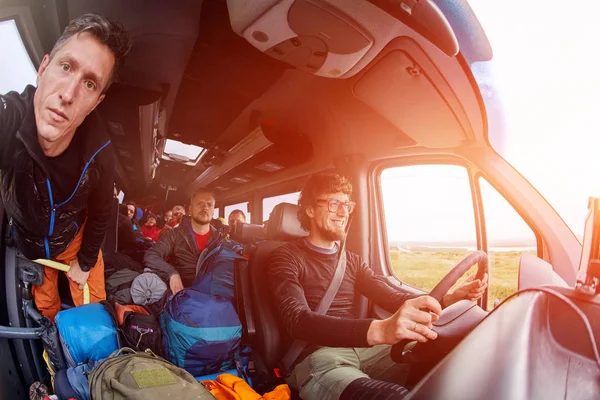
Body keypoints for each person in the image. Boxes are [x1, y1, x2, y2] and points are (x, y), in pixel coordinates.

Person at [268, 173, 488, 400]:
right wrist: (380, 330)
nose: (343, 213)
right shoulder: (285, 258)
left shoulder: (352, 261)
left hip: (365, 349)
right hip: (318, 358)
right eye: (334, 203)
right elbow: (298, 320)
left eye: (346, 204)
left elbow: (391, 296)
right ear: (310, 210)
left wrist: (447, 299)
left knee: (449, 356)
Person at [0, 14, 131, 320]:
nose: (68, 95)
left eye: (89, 83)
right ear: (43, 68)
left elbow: (102, 213)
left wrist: (85, 263)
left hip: (74, 242)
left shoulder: (100, 154)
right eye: (65, 66)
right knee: (45, 308)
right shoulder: (10, 119)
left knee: (92, 311)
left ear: (97, 102)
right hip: (33, 246)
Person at [144, 189, 221, 294]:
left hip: (212, 295)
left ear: (213, 210)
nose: (205, 207)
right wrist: (171, 273)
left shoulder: (221, 240)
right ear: (190, 209)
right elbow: (151, 255)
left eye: (209, 204)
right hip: (182, 293)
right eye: (200, 203)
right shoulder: (175, 234)